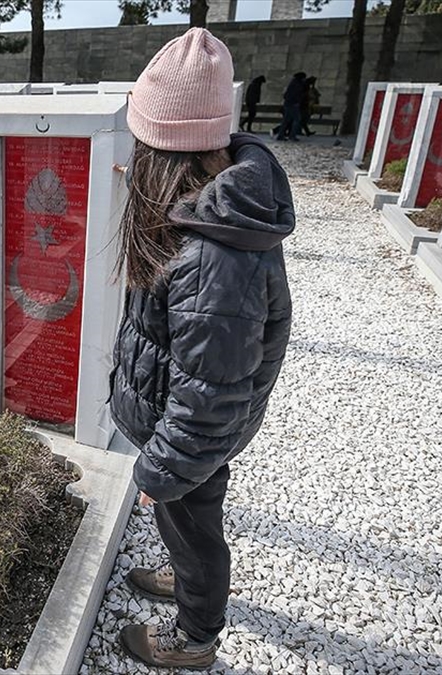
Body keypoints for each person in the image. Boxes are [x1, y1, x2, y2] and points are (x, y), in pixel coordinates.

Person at [111, 27, 294, 670]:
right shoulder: (200, 212)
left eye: (141, 145)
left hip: (189, 438)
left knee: (195, 525)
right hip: (180, 430)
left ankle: (194, 638)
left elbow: (209, 396)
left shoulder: (213, 258)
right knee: (187, 521)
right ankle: (186, 576)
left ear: (163, 155)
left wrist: (160, 470)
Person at [276, 71, 306, 141]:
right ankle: (292, 135)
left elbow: (286, 95)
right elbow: (296, 94)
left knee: (286, 120)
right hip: (293, 104)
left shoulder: (292, 83)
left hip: (288, 104)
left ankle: (280, 135)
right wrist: (297, 101)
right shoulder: (297, 85)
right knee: (297, 119)